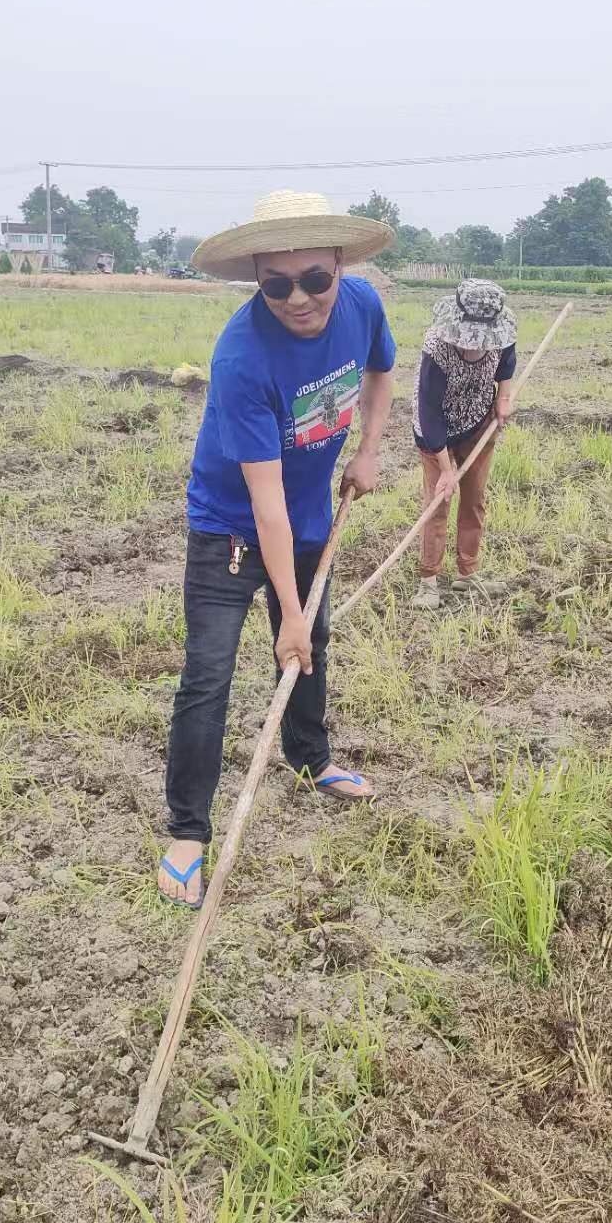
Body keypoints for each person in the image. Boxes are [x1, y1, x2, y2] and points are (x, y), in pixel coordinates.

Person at [158, 189, 396, 908]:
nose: (299, 299)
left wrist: (369, 451)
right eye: (277, 284)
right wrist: (288, 613)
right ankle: (187, 834)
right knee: (209, 675)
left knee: (310, 645)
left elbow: (382, 371)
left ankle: (310, 759)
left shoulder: (363, 306)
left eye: (315, 279)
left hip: (311, 514)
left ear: (340, 265)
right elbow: (264, 506)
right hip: (230, 529)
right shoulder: (241, 358)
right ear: (258, 280)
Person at [411, 278, 517, 608]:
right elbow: (429, 413)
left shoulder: (502, 337)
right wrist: (446, 470)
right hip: (435, 430)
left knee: (474, 499)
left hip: (478, 424)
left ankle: (467, 573)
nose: (475, 345)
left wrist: (503, 399)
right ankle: (428, 581)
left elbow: (507, 364)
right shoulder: (437, 348)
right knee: (437, 503)